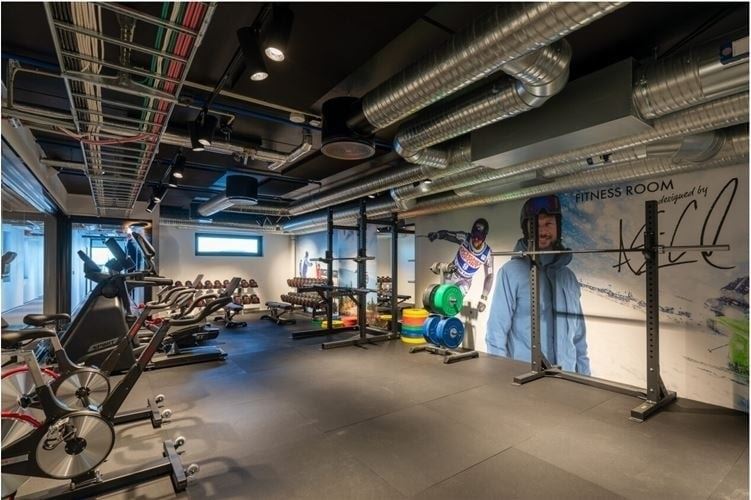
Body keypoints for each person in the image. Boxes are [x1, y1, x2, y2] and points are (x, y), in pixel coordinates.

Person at [485, 195, 590, 375]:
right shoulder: (511, 273)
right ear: (526, 229)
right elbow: (496, 334)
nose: (543, 230)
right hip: (527, 379)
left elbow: (579, 338)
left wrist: (586, 378)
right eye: (536, 224)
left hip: (568, 378)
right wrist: (500, 379)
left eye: (549, 223)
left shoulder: (568, 277)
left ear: (558, 227)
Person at [427, 218, 494, 312]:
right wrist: (437, 235)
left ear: (484, 237)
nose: (476, 239)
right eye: (474, 235)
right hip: (451, 273)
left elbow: (490, 276)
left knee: (452, 301)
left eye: (479, 237)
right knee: (440, 300)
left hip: (465, 281)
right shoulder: (465, 238)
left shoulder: (487, 254)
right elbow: (448, 234)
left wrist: (484, 299)